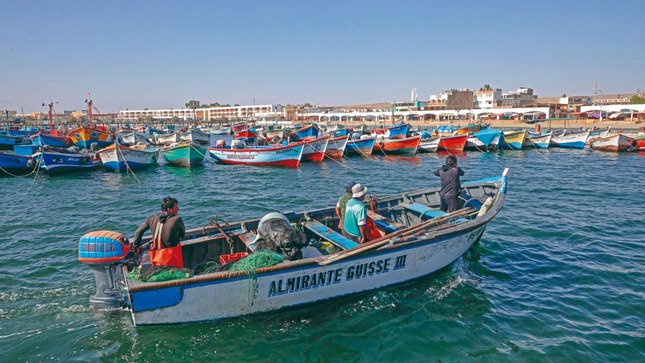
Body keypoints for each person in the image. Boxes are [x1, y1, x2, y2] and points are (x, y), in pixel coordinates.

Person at [133, 196, 186, 269]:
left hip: (155, 256)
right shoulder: (176, 219)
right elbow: (182, 234)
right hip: (170, 257)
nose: (178, 209)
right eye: (176, 207)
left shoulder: (152, 218)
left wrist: (136, 246)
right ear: (169, 209)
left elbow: (138, 232)